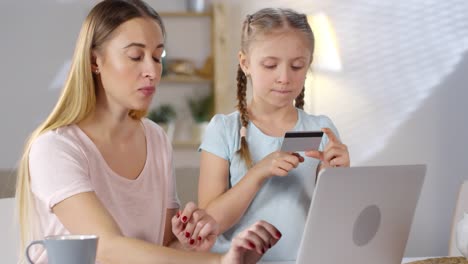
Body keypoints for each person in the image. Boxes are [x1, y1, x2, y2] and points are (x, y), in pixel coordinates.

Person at [15, 1, 281, 263]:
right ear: (95, 61)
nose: (152, 71)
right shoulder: (55, 148)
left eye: (157, 57)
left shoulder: (155, 138)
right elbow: (105, 247)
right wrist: (219, 261)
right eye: (135, 56)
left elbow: (161, 249)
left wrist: (190, 243)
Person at [198, 7, 351, 261]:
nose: (284, 77)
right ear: (245, 63)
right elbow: (208, 224)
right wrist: (259, 171)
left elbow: (335, 224)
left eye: (297, 66)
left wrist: (335, 178)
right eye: (270, 65)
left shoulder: (322, 129)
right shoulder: (223, 130)